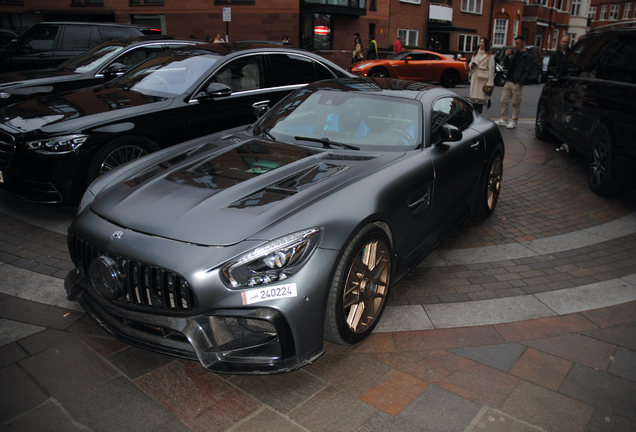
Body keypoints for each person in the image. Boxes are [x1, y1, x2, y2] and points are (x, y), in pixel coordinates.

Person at [496, 35, 534, 129]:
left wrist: (521, 81)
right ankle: (504, 119)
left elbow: (528, 70)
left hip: (517, 82)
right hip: (509, 80)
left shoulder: (528, 55)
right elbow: (507, 65)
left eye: (518, 43)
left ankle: (514, 121)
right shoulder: (514, 53)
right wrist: (506, 56)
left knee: (515, 103)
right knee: (503, 100)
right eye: (515, 43)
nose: (516, 45)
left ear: (523, 43)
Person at [469, 37, 495, 104]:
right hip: (475, 76)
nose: (481, 43)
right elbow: (470, 63)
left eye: (483, 42)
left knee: (480, 99)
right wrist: (472, 65)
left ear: (486, 44)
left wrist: (490, 83)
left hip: (483, 78)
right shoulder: (476, 53)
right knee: (473, 98)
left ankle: (479, 112)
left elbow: (491, 69)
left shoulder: (490, 55)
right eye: (480, 42)